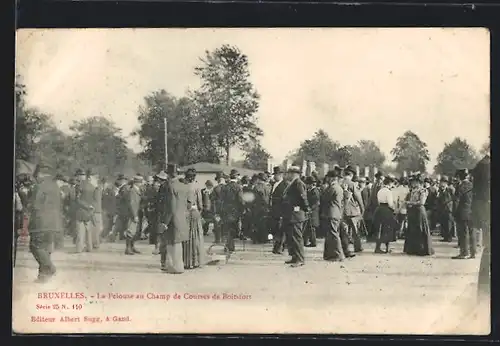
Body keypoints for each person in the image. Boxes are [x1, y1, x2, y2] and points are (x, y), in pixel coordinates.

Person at [27, 163, 62, 283]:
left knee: (35, 246)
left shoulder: (39, 186)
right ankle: (42, 276)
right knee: (46, 248)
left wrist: (28, 203)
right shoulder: (54, 186)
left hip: (40, 222)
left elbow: (35, 204)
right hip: (54, 222)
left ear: (39, 174)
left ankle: (50, 267)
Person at [158, 164, 189, 273]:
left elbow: (170, 206)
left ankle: (175, 267)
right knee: (178, 244)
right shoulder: (183, 186)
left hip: (172, 219)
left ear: (169, 175)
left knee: (172, 244)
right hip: (182, 218)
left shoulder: (169, 186)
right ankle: (179, 266)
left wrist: (164, 222)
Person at [282, 166, 310, 267]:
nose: (287, 175)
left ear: (294, 173)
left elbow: (303, 198)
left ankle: (300, 259)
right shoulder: (293, 183)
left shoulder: (298, 183)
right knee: (292, 236)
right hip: (292, 214)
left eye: (289, 173)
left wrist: (306, 208)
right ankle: (295, 257)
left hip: (296, 214)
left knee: (297, 237)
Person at [403, 174, 434, 256]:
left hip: (419, 211)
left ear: (418, 182)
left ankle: (422, 249)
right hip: (413, 212)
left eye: (414, 182)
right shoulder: (412, 191)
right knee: (413, 229)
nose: (412, 184)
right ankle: (413, 249)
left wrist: (410, 203)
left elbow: (421, 202)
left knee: (420, 229)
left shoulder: (423, 191)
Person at [321, 170, 347, 262]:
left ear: (332, 178)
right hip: (334, 213)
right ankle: (330, 254)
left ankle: (339, 254)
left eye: (328, 177)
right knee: (330, 234)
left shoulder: (333, 188)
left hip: (332, 213)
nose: (326, 179)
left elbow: (324, 198)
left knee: (333, 234)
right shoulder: (337, 187)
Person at [183, 168, 205, 269]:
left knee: (185, 237)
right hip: (194, 211)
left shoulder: (182, 185)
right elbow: (200, 203)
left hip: (184, 213)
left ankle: (185, 261)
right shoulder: (196, 186)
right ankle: (195, 261)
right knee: (195, 236)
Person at [452, 168, 475, 259]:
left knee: (463, 233)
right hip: (472, 211)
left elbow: (456, 201)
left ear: (459, 177)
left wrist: (454, 212)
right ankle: (473, 253)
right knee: (471, 232)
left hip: (462, 212)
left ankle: (464, 253)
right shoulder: (472, 185)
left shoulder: (460, 186)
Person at [372, 176, 399, 254]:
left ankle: (377, 247)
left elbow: (378, 201)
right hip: (386, 210)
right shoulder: (388, 192)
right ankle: (387, 248)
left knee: (379, 229)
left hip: (379, 209)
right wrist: (394, 209)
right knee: (387, 228)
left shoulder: (380, 191)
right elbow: (390, 204)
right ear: (390, 183)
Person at [342, 166, 365, 252]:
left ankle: (345, 248)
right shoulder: (352, 184)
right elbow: (358, 197)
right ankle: (357, 247)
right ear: (351, 175)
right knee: (355, 230)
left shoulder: (340, 183)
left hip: (343, 210)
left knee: (344, 230)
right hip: (353, 211)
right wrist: (362, 208)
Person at [73, 169, 97, 253]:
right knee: (88, 231)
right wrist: (92, 207)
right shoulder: (92, 186)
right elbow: (95, 199)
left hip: (81, 211)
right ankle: (89, 247)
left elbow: (77, 200)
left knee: (80, 231)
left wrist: (87, 206)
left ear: (80, 176)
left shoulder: (79, 186)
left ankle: (79, 249)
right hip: (90, 212)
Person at [220, 169, 244, 252]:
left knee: (228, 227)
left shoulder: (225, 187)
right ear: (236, 177)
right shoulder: (238, 187)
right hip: (235, 210)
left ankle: (229, 245)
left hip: (226, 209)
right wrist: (243, 209)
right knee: (233, 228)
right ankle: (230, 245)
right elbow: (240, 200)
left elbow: (221, 199)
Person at [124, 176, 144, 255]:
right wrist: (134, 215)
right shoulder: (133, 191)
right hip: (133, 214)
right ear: (137, 182)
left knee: (134, 231)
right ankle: (128, 248)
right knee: (131, 231)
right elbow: (132, 204)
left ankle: (132, 247)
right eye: (140, 182)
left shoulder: (136, 190)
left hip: (136, 212)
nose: (141, 184)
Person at [270, 167, 288, 254]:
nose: (274, 176)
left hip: (281, 211)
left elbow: (285, 200)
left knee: (281, 230)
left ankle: (280, 247)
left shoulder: (285, 185)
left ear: (280, 175)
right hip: (274, 211)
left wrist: (283, 212)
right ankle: (276, 247)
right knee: (276, 229)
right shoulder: (274, 184)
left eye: (276, 175)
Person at [252, 172, 271, 244]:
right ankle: (266, 238)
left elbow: (253, 199)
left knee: (257, 223)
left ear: (259, 179)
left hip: (258, 207)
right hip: (267, 207)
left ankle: (257, 239)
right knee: (266, 223)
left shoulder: (256, 187)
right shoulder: (268, 187)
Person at [436, 176, 455, 242]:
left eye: (443, 182)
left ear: (446, 183)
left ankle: (449, 237)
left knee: (449, 223)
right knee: (443, 223)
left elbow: (453, 199)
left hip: (448, 209)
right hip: (442, 209)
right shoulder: (440, 190)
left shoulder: (450, 189)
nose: (442, 184)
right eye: (441, 182)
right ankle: (445, 237)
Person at [304, 176, 320, 247]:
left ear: (311, 184)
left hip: (313, 212)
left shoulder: (315, 191)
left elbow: (316, 203)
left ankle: (313, 242)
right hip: (310, 211)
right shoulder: (310, 191)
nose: (306, 185)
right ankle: (307, 241)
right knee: (309, 227)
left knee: (312, 227)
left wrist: (310, 209)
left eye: (307, 184)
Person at [211, 173, 225, 244]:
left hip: (218, 209)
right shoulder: (227, 187)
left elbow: (212, 200)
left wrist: (213, 211)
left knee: (217, 224)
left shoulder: (216, 188)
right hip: (226, 209)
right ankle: (224, 239)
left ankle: (217, 239)